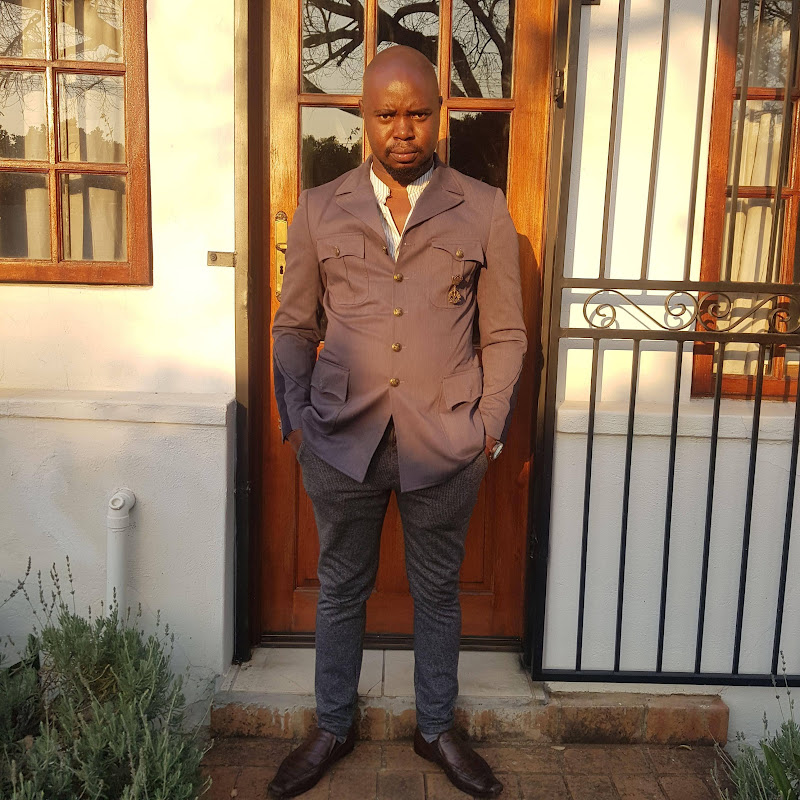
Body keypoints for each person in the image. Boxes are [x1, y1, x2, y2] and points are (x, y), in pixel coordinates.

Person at [268, 44, 526, 799]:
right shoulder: (319, 208)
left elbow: (505, 332)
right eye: (386, 115)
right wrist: (298, 418)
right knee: (341, 588)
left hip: (446, 438)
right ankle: (332, 725)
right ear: (364, 117)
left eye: (417, 113)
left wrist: (488, 427)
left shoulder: (482, 208)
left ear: (438, 114)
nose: (403, 130)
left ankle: (436, 728)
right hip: (339, 439)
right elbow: (293, 326)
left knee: (438, 592)